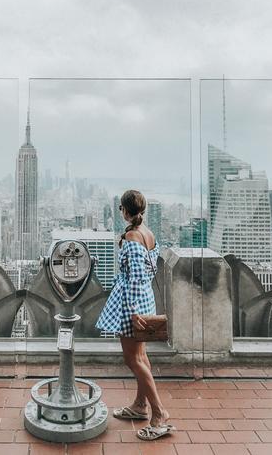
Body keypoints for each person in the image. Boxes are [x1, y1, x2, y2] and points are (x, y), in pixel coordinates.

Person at [96, 189, 174, 441]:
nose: (120, 212)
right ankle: (140, 405)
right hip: (145, 299)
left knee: (133, 360)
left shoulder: (131, 237)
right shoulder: (149, 234)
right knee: (141, 356)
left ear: (125, 210)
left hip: (133, 304)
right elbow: (146, 275)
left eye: (121, 208)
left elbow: (134, 280)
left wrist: (133, 313)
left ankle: (159, 414)